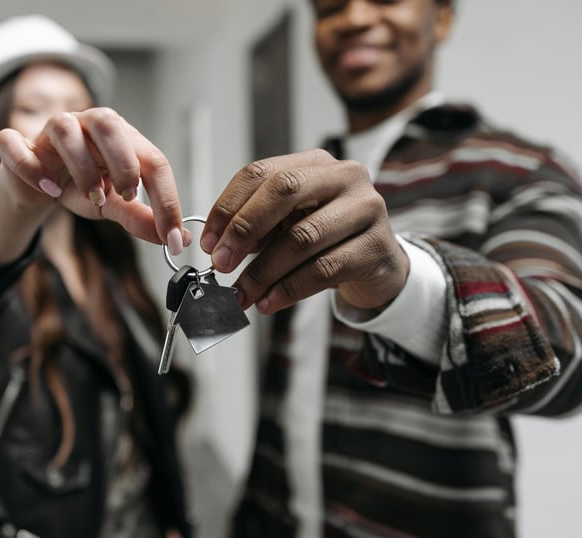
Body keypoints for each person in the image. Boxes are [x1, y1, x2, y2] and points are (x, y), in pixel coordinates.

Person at [198, 1, 582, 537]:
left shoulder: (520, 171)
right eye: (330, 7)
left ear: (441, 18)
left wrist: (401, 281)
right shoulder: (299, 177)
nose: (354, 17)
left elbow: (567, 358)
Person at [0, 14, 193, 538]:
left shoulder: (111, 264)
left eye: (75, 108)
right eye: (33, 109)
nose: (65, 125)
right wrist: (19, 193)